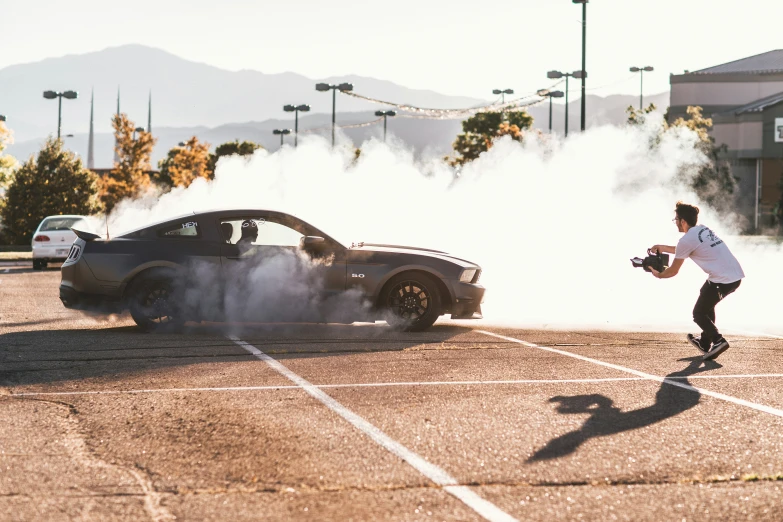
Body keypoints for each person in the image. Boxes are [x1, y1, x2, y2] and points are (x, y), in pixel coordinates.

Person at [649, 201, 744, 361]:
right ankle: (705, 343)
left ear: (683, 221)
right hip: (733, 275)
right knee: (706, 297)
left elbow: (673, 271)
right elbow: (684, 249)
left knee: (698, 313)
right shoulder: (703, 229)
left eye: (676, 220)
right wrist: (663, 247)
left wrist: (658, 274)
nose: (675, 223)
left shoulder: (686, 240)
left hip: (724, 280)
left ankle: (718, 341)